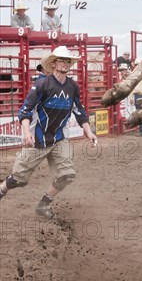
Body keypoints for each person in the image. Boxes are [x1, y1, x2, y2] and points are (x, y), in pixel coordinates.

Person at [0, 46, 97, 218]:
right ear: (53, 64)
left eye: (68, 61)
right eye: (62, 60)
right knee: (19, 179)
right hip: (38, 140)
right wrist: (26, 132)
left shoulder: (72, 87)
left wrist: (88, 132)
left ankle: (44, 204)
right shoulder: (42, 84)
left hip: (59, 139)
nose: (66, 64)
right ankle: (1, 190)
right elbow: (25, 111)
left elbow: (79, 110)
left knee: (67, 175)